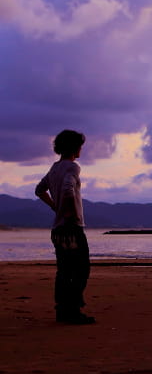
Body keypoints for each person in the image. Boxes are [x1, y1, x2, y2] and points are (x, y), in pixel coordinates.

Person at [35, 130, 95, 324]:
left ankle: (62, 310)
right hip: (71, 228)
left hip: (58, 229)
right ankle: (73, 311)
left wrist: (55, 207)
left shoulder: (54, 168)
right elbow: (68, 190)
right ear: (74, 147)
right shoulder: (72, 168)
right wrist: (67, 212)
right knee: (81, 270)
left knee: (64, 270)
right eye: (79, 146)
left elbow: (39, 190)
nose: (80, 150)